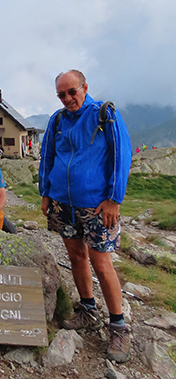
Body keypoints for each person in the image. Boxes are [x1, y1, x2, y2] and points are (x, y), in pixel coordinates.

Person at [39, 70, 132, 363]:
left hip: (96, 206)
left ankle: (118, 326)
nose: (67, 99)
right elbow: (48, 156)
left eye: (72, 92)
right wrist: (46, 192)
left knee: (102, 264)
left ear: (85, 87)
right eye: (62, 95)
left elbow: (122, 156)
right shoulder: (57, 120)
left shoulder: (104, 114)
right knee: (77, 257)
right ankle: (88, 311)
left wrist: (114, 199)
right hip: (63, 203)